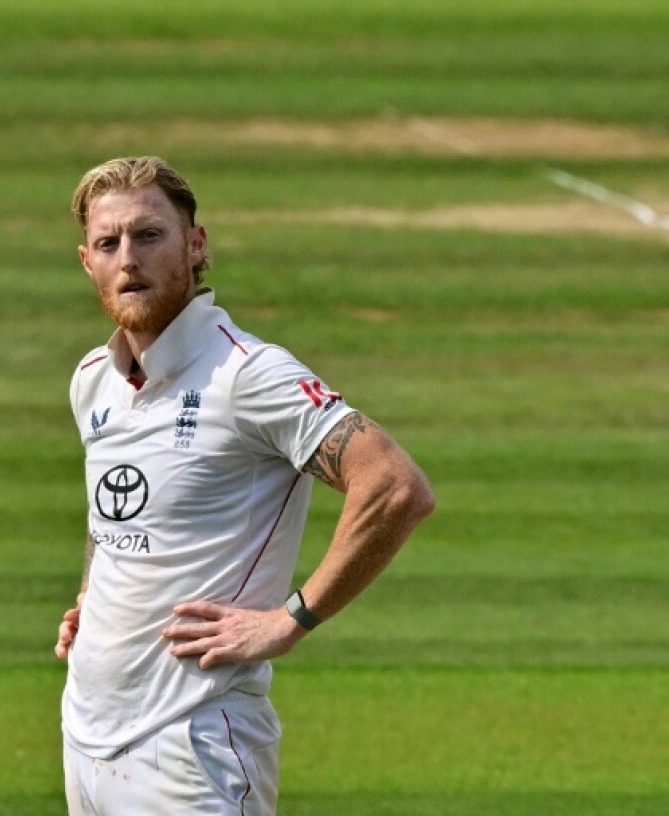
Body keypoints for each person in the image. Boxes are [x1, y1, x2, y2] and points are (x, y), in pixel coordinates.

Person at [54, 156, 435, 815]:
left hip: (189, 746)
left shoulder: (249, 374)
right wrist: (94, 592)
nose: (129, 259)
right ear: (87, 262)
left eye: (150, 235)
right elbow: (114, 506)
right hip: (84, 737)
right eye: (108, 243)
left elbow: (395, 486)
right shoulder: (94, 378)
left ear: (195, 245)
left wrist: (290, 620)